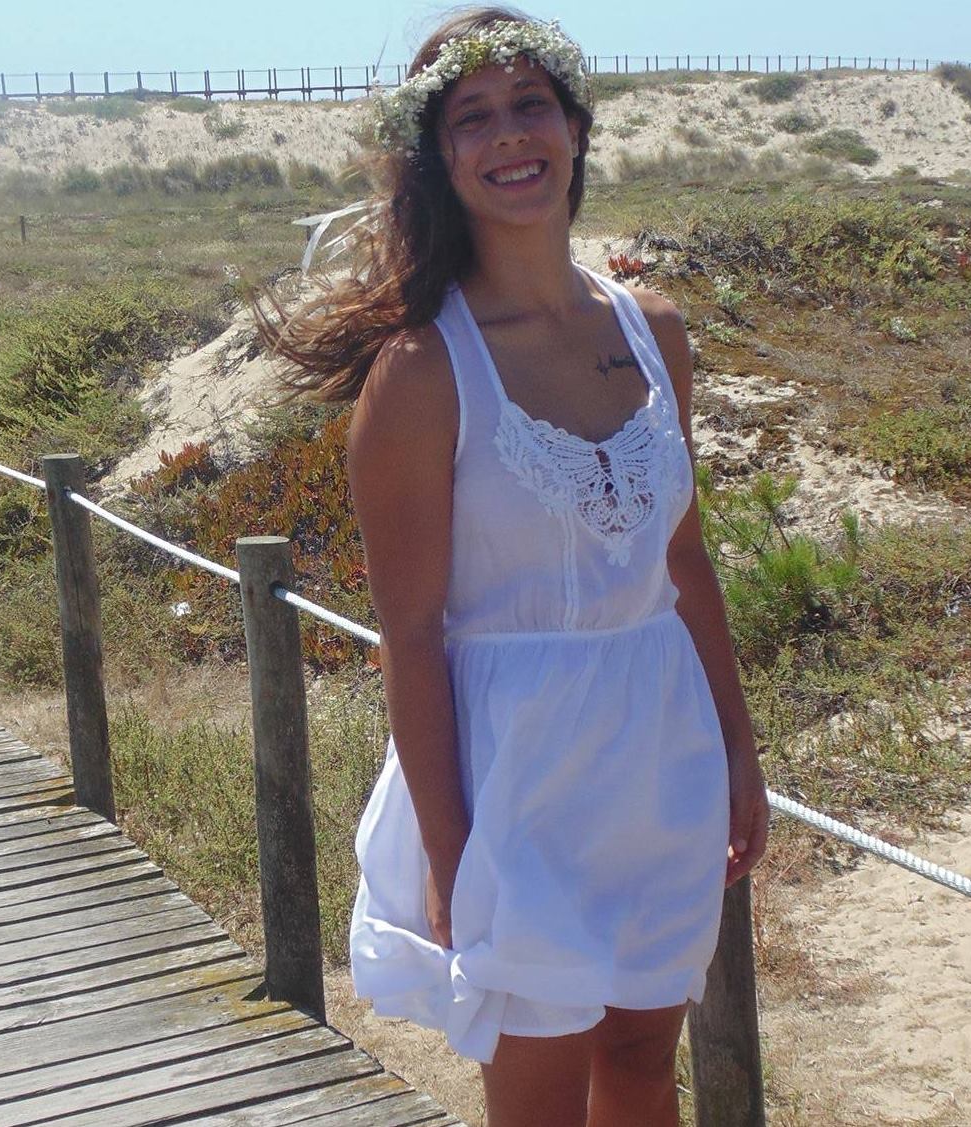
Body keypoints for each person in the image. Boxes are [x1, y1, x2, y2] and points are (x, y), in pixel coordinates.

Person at [257, 8, 769, 1125]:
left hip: (659, 750)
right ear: (439, 159)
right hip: (514, 777)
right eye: (472, 117)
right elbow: (409, 633)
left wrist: (737, 746)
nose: (509, 136)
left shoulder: (653, 331)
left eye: (530, 104)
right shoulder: (421, 370)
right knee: (537, 1097)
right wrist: (452, 853)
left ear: (575, 128)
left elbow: (683, 560)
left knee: (642, 1064)